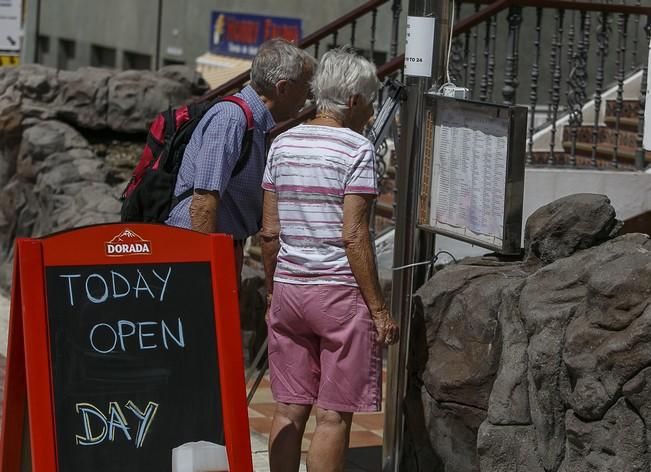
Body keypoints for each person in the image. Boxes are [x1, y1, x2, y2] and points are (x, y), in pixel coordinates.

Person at [260, 47, 400, 472]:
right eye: (372, 103)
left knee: (287, 408)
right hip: (339, 295)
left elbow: (269, 233)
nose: (373, 114)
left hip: (289, 289)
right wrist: (378, 310)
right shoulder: (356, 150)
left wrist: (272, 290)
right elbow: (355, 235)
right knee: (333, 414)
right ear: (354, 100)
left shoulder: (282, 143)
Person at [166, 38, 315, 282]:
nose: (308, 96)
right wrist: (205, 274)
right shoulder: (232, 119)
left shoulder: (253, 122)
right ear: (283, 88)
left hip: (218, 246)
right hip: (196, 251)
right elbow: (203, 203)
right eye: (306, 87)